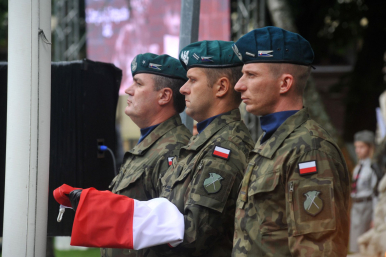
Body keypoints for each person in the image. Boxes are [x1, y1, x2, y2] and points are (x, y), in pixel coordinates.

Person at [53, 41, 254, 257]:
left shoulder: (218, 148)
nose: (184, 88)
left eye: (192, 80)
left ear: (222, 87)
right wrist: (97, 205)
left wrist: (103, 211)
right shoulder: (200, 144)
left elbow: (191, 234)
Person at [231, 26, 351, 256]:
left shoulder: (310, 150)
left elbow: (317, 250)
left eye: (251, 75)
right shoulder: (272, 141)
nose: (239, 85)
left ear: (285, 84)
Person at [101, 53, 192, 257]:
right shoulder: (150, 144)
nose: (128, 90)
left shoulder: (175, 149)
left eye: (138, 84)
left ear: (164, 96)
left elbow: (172, 235)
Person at [349, 130, 379, 253]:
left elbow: (376, 195)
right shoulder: (358, 167)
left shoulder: (373, 168)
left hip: (366, 207)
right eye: (356, 147)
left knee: (363, 242)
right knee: (354, 241)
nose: (358, 150)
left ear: (369, 148)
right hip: (356, 206)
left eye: (362, 147)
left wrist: (375, 217)